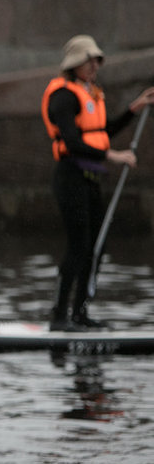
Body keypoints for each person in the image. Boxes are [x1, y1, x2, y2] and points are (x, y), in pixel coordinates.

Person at [41, 35, 154, 330]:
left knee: (95, 248)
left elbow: (102, 131)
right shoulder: (62, 97)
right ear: (75, 64)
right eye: (89, 61)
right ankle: (59, 316)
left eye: (97, 61)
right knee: (78, 248)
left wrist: (135, 108)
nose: (95, 66)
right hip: (70, 179)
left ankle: (80, 313)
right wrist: (114, 156)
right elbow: (73, 142)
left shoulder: (91, 94)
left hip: (91, 181)